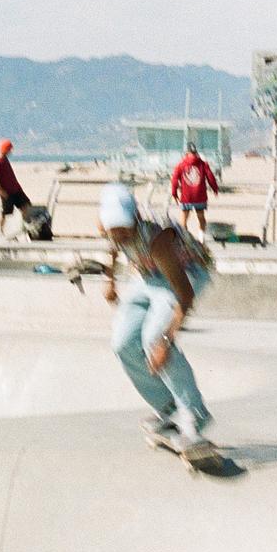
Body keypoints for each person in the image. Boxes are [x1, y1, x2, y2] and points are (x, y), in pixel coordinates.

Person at [99, 183, 214, 452]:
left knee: (154, 339)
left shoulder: (158, 241)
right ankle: (167, 406)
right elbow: (112, 247)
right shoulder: (109, 228)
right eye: (114, 230)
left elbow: (185, 296)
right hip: (148, 276)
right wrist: (110, 281)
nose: (121, 235)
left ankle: (193, 416)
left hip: (185, 275)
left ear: (136, 217)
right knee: (122, 342)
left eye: (125, 228)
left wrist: (165, 340)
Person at [170, 142, 218, 238]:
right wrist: (215, 188)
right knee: (201, 217)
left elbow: (174, 180)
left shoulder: (180, 165)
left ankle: (185, 238)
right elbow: (211, 177)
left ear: (186, 153)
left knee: (184, 219)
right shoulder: (203, 164)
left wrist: (174, 193)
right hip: (200, 196)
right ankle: (201, 238)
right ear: (196, 152)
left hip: (186, 197)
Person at [0, 139, 30, 236]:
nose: (10, 151)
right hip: (7, 192)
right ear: (5, 149)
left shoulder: (5, 159)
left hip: (16, 190)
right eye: (9, 149)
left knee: (25, 205)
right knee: (5, 212)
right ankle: (0, 231)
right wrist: (2, 191)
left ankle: (24, 227)